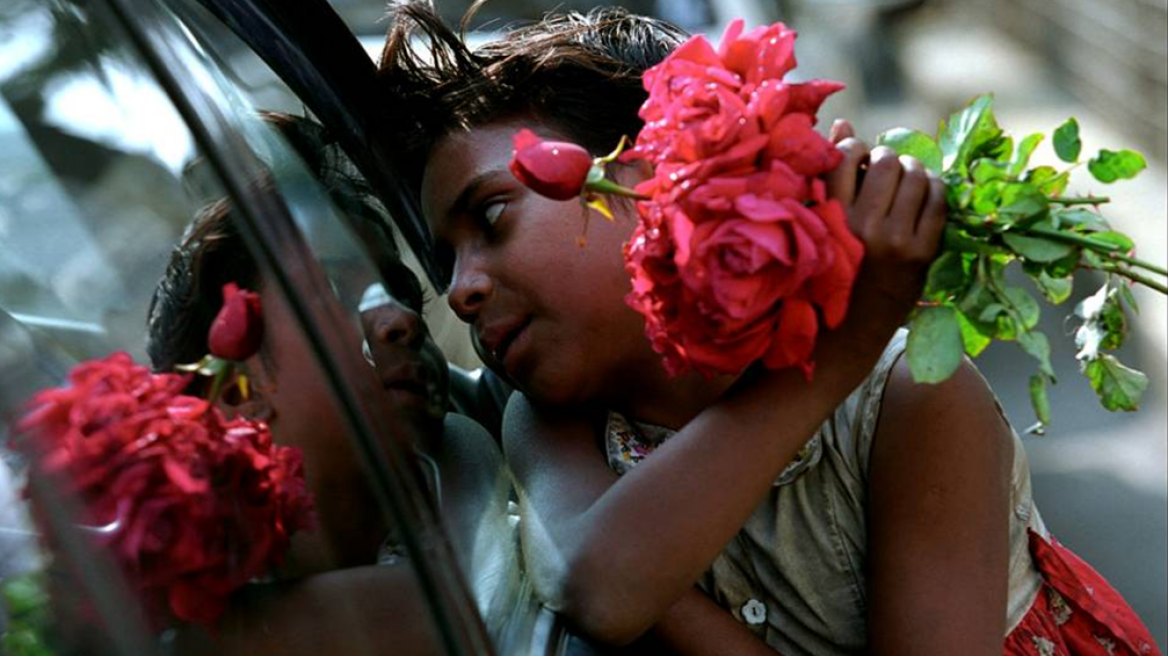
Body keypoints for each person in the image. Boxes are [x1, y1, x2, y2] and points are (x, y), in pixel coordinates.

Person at [377, 4, 1162, 656]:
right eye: (446, 261)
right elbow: (600, 586)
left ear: (658, 179)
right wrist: (834, 354)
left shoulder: (907, 396)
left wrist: (855, 351)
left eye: (490, 217)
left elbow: (615, 586)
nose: (460, 291)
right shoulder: (548, 421)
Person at [144, 115, 519, 654]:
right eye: (337, 294)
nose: (401, 320)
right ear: (235, 394)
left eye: (403, 292)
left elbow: (453, 610)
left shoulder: (475, 452)